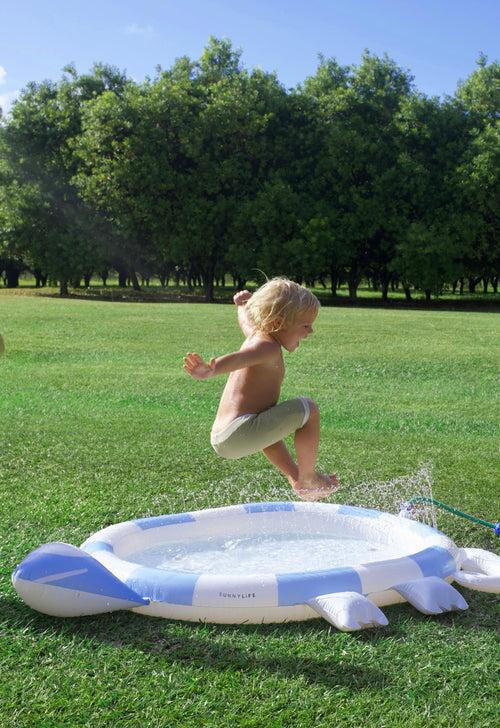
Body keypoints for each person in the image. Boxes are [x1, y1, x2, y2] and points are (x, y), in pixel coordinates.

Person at [183, 277, 339, 500]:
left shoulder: (260, 337)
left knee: (269, 425)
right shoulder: (267, 347)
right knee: (309, 410)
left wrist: (241, 307)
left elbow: (246, 324)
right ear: (277, 323)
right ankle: (308, 478)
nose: (310, 331)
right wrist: (211, 369)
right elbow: (240, 358)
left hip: (227, 435)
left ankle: (297, 479)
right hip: (238, 431)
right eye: (305, 325)